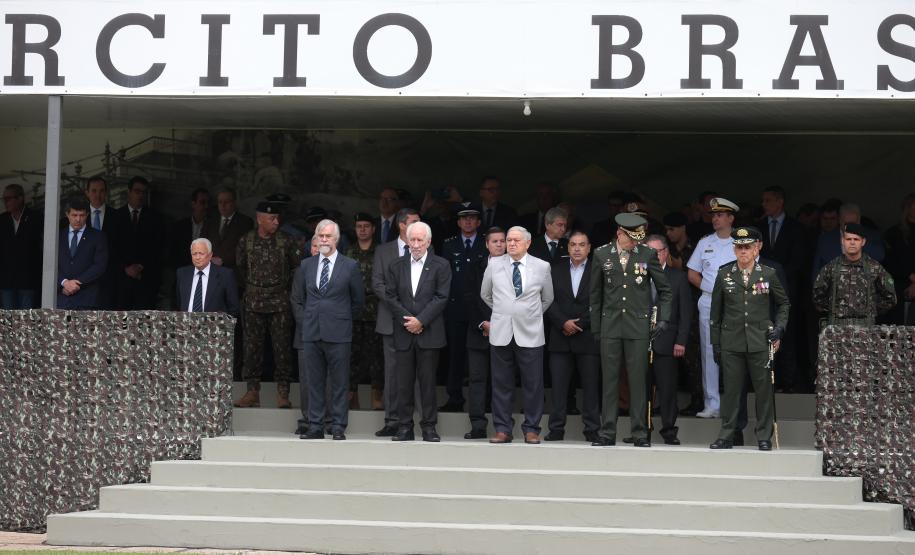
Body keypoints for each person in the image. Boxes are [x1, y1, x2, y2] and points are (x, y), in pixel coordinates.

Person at [590, 213, 672, 447]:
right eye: (631, 238)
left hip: (638, 326)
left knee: (638, 382)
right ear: (619, 233)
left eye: (638, 238)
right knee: (610, 381)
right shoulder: (601, 254)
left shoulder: (647, 254)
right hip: (610, 325)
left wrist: (663, 319)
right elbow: (595, 295)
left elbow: (665, 290)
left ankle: (639, 432)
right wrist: (596, 328)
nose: (635, 243)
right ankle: (607, 432)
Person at [709, 227, 790, 451]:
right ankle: (727, 434)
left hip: (759, 340)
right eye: (739, 247)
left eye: (747, 247)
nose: (743, 251)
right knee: (731, 392)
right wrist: (716, 344)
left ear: (756, 249)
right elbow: (715, 313)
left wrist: (780, 327)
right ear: (734, 250)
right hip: (731, 341)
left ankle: (763, 435)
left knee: (763, 391)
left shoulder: (768, 273)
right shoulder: (724, 274)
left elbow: (784, 303)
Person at [481, 226, 553, 444]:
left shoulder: (542, 266)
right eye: (509, 240)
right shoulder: (494, 264)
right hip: (501, 331)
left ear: (528, 243)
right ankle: (503, 429)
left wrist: (528, 314)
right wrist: (505, 312)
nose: (511, 244)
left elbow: (547, 298)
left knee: (533, 384)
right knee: (501, 383)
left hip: (530, 332)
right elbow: (485, 294)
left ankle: (531, 429)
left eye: (516, 240)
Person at [294, 220, 365, 440]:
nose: (324, 240)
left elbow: (358, 302)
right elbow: (299, 299)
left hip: (339, 333)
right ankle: (315, 426)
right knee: (314, 382)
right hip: (312, 332)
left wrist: (341, 320)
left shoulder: (350, 266)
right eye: (321, 236)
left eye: (328, 236)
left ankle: (338, 426)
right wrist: (306, 321)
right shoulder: (306, 265)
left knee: (339, 382)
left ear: (337, 239)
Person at [385, 221, 451, 442]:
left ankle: (429, 427)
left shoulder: (441, 265)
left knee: (428, 383)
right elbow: (391, 296)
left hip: (429, 333)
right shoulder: (396, 265)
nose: (415, 244)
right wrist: (409, 321)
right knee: (403, 383)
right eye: (411, 239)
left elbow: (441, 297)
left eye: (419, 240)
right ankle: (405, 427)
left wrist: (421, 320)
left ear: (428, 242)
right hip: (404, 331)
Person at [234, 201, 302, 409]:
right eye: (271, 218)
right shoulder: (246, 240)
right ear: (259, 219)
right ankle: (252, 391)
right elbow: (240, 269)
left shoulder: (286, 241)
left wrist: (282, 290)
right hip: (253, 303)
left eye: (277, 218)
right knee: (251, 349)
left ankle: (283, 392)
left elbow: (297, 270)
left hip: (280, 303)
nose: (276, 222)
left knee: (282, 349)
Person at [544, 230, 600, 442]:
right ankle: (556, 429)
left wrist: (580, 323)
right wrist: (563, 322)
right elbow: (547, 299)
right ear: (567, 248)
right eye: (573, 244)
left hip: (588, 337)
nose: (577, 248)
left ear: (589, 248)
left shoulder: (599, 270)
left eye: (581, 245)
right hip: (560, 337)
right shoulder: (554, 269)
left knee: (591, 387)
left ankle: (592, 429)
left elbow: (602, 302)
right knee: (558, 388)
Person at [686, 197, 739, 418]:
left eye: (720, 215)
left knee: (734, 353)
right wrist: (709, 289)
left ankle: (734, 403)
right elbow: (692, 273)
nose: (715, 219)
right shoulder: (705, 242)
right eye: (713, 215)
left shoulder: (741, 241)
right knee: (709, 351)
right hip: (709, 301)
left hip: (735, 303)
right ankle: (712, 404)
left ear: (730, 218)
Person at [371, 208, 422, 437]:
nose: (419, 226)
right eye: (414, 222)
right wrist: (401, 309)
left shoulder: (427, 248)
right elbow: (378, 284)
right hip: (391, 320)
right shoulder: (383, 251)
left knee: (421, 372)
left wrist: (416, 313)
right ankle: (392, 420)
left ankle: (422, 420)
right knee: (392, 373)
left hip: (419, 321)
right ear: (402, 225)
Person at [640, 234, 691, 445]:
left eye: (657, 251)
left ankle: (669, 430)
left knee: (667, 390)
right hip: (640, 341)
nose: (653, 256)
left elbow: (685, 314)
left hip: (668, 341)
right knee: (641, 389)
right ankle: (641, 430)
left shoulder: (678, 277)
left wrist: (681, 341)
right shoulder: (637, 275)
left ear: (666, 252)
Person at [439, 202, 486, 412]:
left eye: (472, 217)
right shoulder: (449, 245)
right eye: (464, 218)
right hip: (455, 309)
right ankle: (454, 398)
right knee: (455, 355)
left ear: (478, 222)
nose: (468, 221)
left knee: (481, 357)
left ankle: (484, 401)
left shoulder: (486, 243)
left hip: (481, 310)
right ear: (458, 222)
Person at [758, 185, 806, 392]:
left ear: (780, 202)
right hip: (761, 288)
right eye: (763, 200)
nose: (764, 204)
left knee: (786, 331)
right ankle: (769, 379)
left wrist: (777, 278)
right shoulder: (759, 227)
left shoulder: (796, 227)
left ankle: (789, 381)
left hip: (787, 287)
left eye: (768, 200)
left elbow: (798, 259)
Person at [462, 227, 505, 439]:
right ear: (487, 244)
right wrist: (483, 323)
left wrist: (499, 324)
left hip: (506, 332)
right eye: (494, 241)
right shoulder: (474, 266)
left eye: (502, 241)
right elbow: (469, 298)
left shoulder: (515, 267)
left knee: (502, 381)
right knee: (477, 380)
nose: (499, 244)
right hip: (479, 332)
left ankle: (502, 427)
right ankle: (478, 426)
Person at [812, 223, 897, 328]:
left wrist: (871, 309)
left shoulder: (875, 268)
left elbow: (890, 297)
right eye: (848, 239)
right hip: (837, 327)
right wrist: (835, 309)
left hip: (865, 328)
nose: (852, 243)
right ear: (842, 241)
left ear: (863, 242)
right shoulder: (831, 268)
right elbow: (817, 296)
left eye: (856, 239)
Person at [344, 212, 384, 410]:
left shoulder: (381, 251)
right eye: (359, 226)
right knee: (352, 354)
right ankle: (352, 395)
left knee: (376, 355)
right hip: (354, 311)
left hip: (376, 309)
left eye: (366, 226)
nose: (362, 230)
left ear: (373, 229)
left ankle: (377, 394)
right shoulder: (349, 252)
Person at [110, 176, 164, 310]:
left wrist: (141, 266)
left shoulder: (155, 218)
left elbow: (158, 248)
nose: (140, 195)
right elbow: (111, 248)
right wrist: (125, 268)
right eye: (137, 191)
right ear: (129, 192)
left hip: (145, 282)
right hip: (121, 284)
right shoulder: (116, 216)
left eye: (143, 192)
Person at [57, 196, 108, 310]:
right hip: (62, 298)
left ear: (87, 215)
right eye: (74, 215)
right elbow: (50, 264)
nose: (78, 219)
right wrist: (64, 282)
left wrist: (77, 282)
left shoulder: (98, 237)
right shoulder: (58, 236)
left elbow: (100, 265)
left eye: (82, 215)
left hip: (87, 299)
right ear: (67, 214)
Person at [812, 203, 885, 280]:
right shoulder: (826, 239)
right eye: (846, 224)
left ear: (859, 220)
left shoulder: (872, 236)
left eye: (853, 223)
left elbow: (880, 256)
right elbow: (817, 268)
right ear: (840, 220)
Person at [0, 184, 42, 309]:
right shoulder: (2, 220)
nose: (5, 202)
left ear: (20, 198)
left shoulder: (36, 217)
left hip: (28, 279)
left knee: (26, 318)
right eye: (4, 199)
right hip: (6, 280)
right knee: (8, 317)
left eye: (8, 199)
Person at [175, 238, 239, 316]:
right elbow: (178, 303)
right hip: (186, 322)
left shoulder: (225, 275)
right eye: (194, 254)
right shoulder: (182, 273)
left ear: (210, 255)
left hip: (215, 323)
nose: (197, 257)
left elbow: (234, 309)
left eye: (201, 253)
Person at [83, 176, 117, 308]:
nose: (98, 195)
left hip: (109, 280)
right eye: (94, 191)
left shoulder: (117, 216)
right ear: (87, 193)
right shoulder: (79, 217)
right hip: (84, 280)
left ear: (106, 193)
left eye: (101, 191)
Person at [201, 187, 254, 271]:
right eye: (220, 202)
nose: (223, 205)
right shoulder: (210, 220)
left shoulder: (245, 222)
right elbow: (201, 242)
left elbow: (245, 249)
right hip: (210, 269)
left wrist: (223, 260)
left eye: (227, 202)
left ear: (234, 203)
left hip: (233, 271)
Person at [169, 188, 210, 271]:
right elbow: (173, 252)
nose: (206, 206)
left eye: (207, 203)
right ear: (193, 204)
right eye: (202, 202)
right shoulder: (180, 226)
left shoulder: (212, 227)